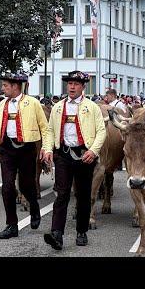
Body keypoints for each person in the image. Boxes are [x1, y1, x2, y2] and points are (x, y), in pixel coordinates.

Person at [40, 70, 107, 250]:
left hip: (84, 156)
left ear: (83, 87)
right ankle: (57, 234)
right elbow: (50, 131)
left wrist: (93, 151)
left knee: (83, 195)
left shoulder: (92, 107)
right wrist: (47, 148)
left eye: (76, 84)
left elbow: (101, 131)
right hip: (63, 154)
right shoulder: (58, 107)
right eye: (69, 83)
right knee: (61, 194)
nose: (72, 87)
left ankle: (81, 231)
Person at [0, 73, 49, 239]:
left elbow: (45, 128)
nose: (2, 88)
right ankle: (11, 225)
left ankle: (34, 207)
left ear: (15, 86)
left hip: (26, 149)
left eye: (5, 86)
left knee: (26, 186)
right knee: (7, 187)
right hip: (7, 149)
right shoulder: (2, 105)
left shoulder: (33, 103)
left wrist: (47, 148)